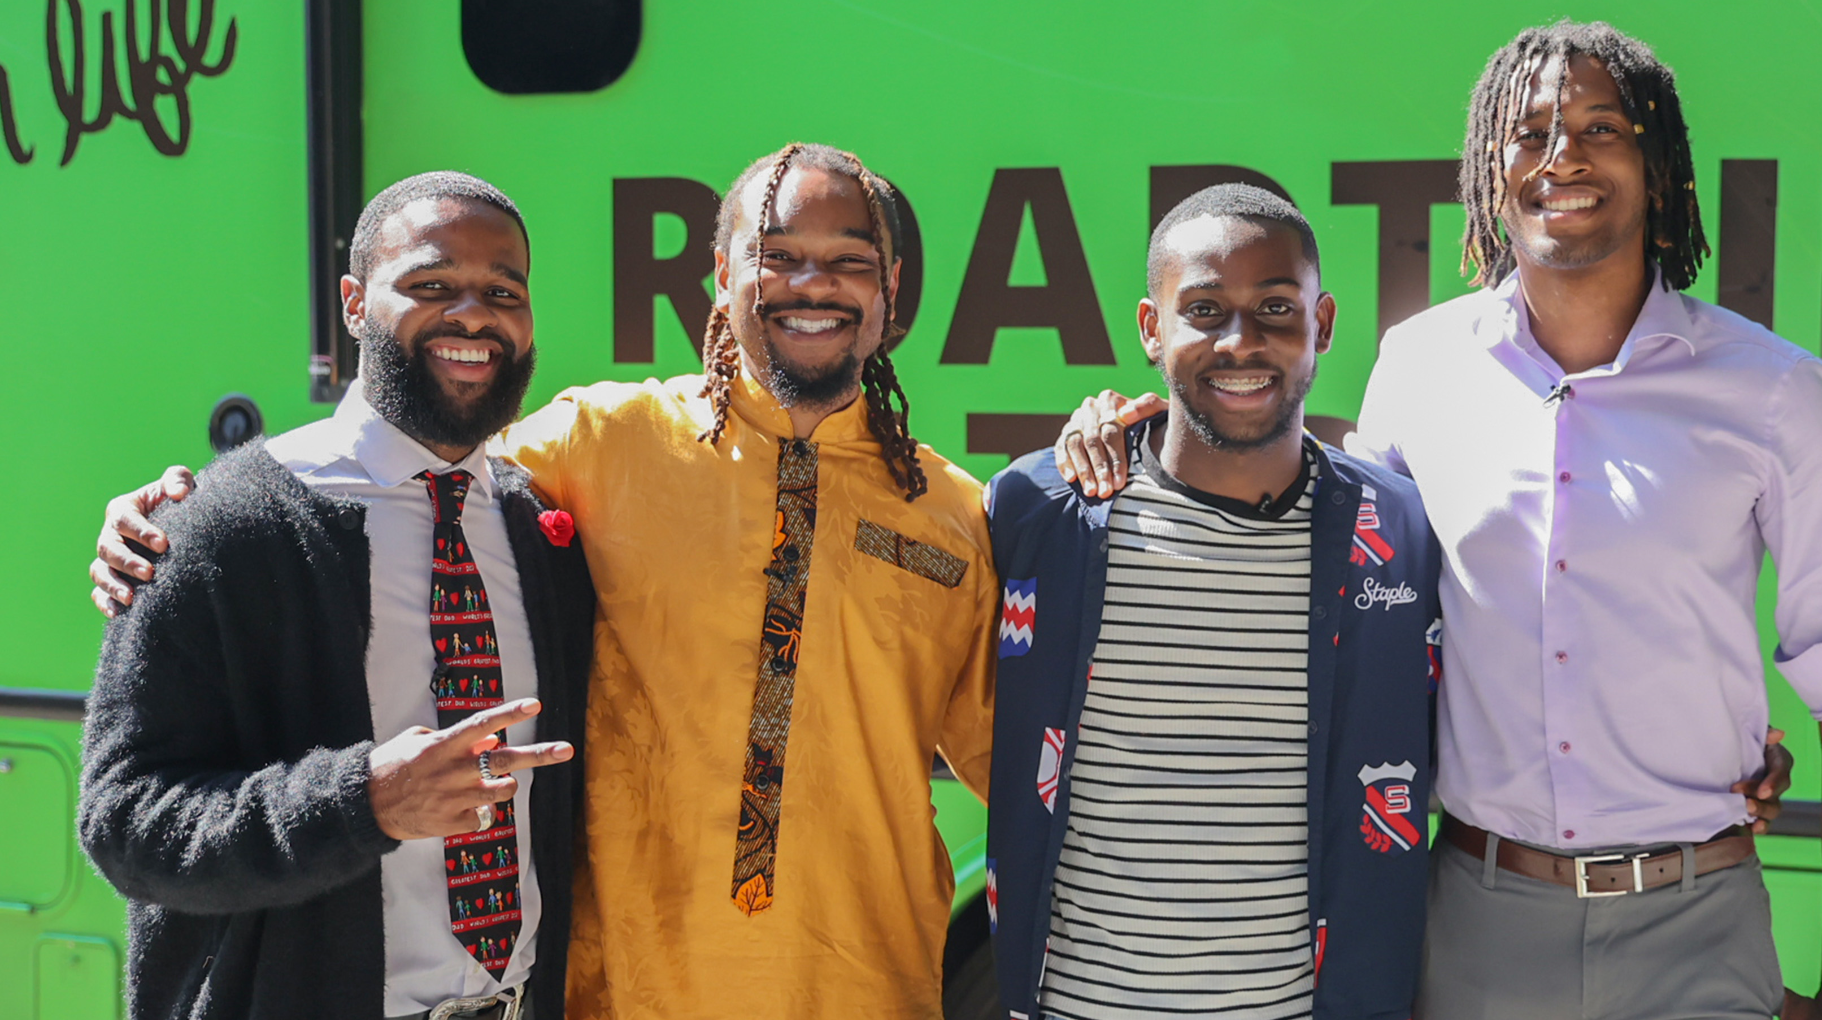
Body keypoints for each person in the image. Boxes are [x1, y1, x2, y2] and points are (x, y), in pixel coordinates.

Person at [1056, 21, 1822, 1020]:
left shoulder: (1772, 391)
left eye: (1601, 128)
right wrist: (1126, 428)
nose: (1563, 158)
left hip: (1699, 924)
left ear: (1659, 164)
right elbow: (1337, 585)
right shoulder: (1422, 366)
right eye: (1530, 131)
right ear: (1488, 172)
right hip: (1476, 923)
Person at [93, 144, 999, 1020]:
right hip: (621, 998)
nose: (813, 284)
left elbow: (1020, 753)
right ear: (720, 277)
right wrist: (179, 510)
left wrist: (1121, 457)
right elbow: (406, 453)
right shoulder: (605, 443)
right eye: (778, 255)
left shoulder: (953, 515)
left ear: (889, 293)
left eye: (849, 261)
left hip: (872, 993)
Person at [80, 171, 596, 1020]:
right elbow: (127, 823)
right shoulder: (220, 525)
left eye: (504, 290)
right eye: (431, 284)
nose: (474, 314)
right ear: (355, 303)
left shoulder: (542, 532)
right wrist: (363, 802)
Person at [986, 184, 1441, 1020]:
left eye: (1275, 307)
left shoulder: (1399, 527)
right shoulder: (1042, 512)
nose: (1241, 341)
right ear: (1151, 329)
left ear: (1324, 324)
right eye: (1204, 309)